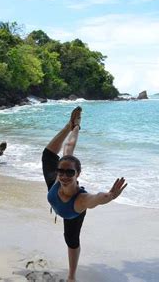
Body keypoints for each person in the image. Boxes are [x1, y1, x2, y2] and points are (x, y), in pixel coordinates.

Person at [41, 106, 127, 282]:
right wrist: (75, 127)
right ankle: (70, 124)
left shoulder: (81, 200)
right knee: (50, 154)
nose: (64, 176)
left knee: (71, 240)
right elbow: (69, 146)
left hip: (70, 212)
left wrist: (110, 196)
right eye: (61, 171)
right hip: (55, 190)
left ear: (78, 174)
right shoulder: (58, 178)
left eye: (70, 173)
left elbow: (97, 198)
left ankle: (72, 276)